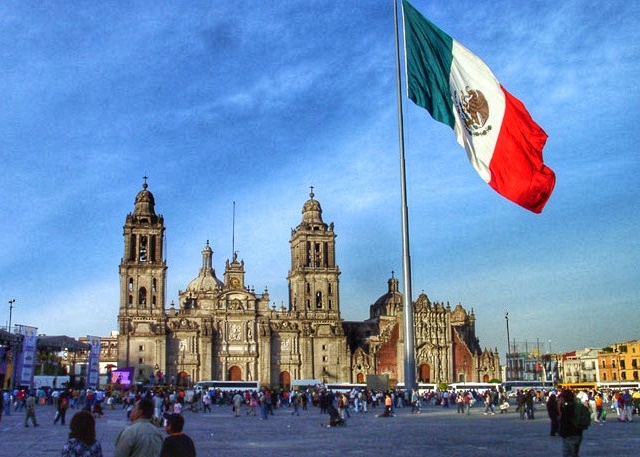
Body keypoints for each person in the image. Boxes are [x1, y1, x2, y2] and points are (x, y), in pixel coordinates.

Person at [558, 389, 583, 457]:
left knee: (568, 454)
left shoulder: (566, 407)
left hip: (569, 435)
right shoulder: (576, 406)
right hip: (578, 434)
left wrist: (559, 405)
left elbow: (563, 419)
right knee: (574, 454)